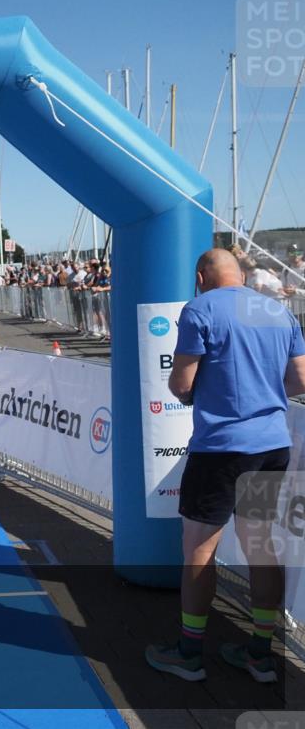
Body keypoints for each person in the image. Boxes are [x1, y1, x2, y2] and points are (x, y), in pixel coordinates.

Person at [146, 249, 305, 683]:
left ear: (201, 277)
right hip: (272, 444)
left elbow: (181, 383)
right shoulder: (278, 310)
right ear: (242, 274)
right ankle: (259, 654)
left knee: (198, 547)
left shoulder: (199, 309)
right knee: (260, 545)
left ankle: (190, 653)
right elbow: (300, 381)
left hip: (220, 449)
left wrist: (201, 395)